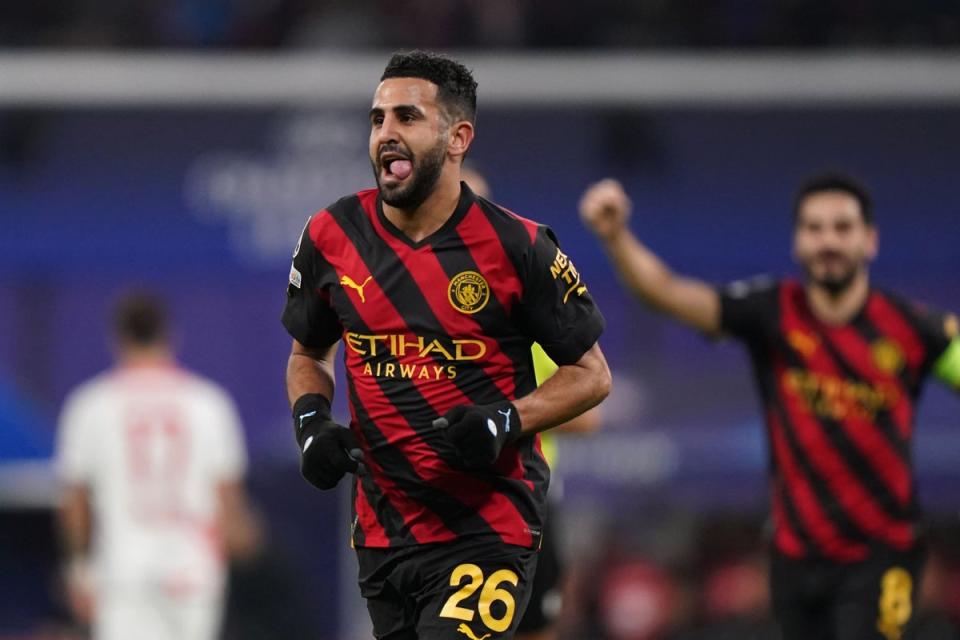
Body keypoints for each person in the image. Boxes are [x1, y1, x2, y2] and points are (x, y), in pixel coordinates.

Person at [282, 51, 611, 640]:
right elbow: (308, 354)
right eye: (378, 118)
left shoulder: (521, 247)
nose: (386, 133)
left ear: (457, 137)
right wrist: (310, 422)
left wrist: (505, 420)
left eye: (407, 117)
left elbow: (591, 375)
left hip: (488, 527)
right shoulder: (330, 235)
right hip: (382, 531)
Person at [579, 174, 960, 640]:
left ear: (870, 240)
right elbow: (666, 293)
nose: (829, 241)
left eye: (843, 228)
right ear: (798, 243)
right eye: (815, 228)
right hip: (794, 557)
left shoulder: (912, 327)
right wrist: (615, 238)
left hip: (882, 555)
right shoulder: (773, 312)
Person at [55, 292, 254, 640]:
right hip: (192, 569)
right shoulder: (207, 403)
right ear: (170, 334)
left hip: (123, 570)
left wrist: (79, 570)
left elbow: (75, 504)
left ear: (117, 338)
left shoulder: (91, 405)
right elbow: (229, 504)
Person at [461, 164, 603, 640]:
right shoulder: (406, 303)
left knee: (533, 626)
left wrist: (503, 419)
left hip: (526, 497)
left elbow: (588, 406)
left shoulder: (523, 303)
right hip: (443, 500)